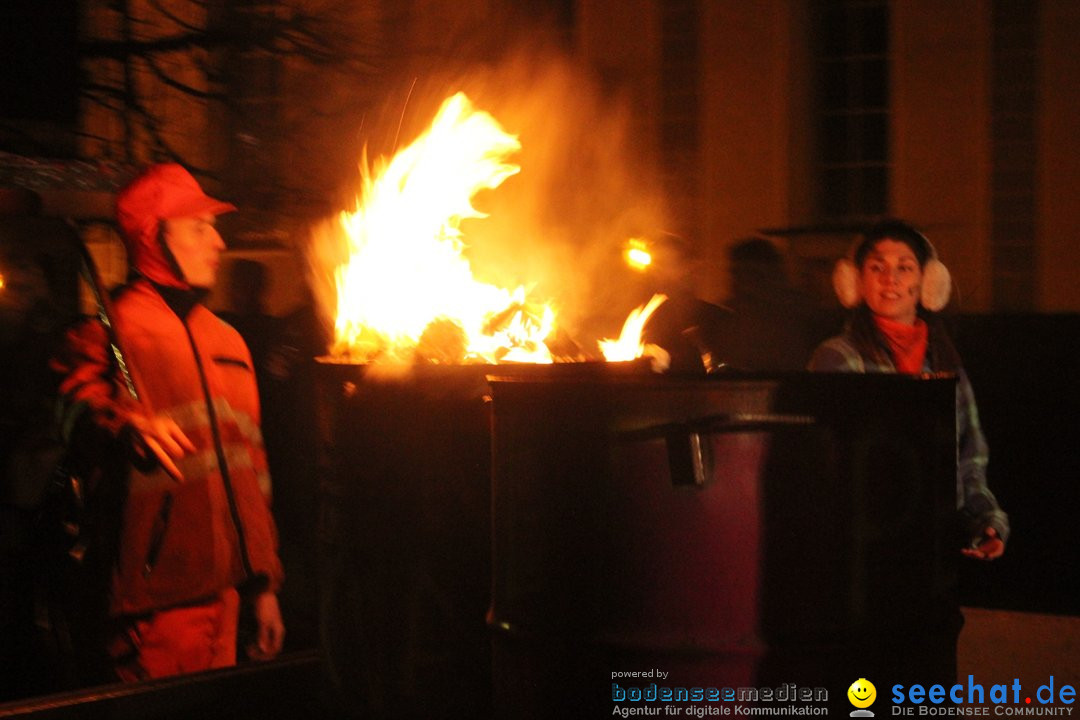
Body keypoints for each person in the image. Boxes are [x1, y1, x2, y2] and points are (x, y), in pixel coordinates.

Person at [51, 163, 285, 682]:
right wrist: (121, 423)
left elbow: (255, 475)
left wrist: (265, 587)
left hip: (227, 601)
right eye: (199, 226)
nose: (219, 243)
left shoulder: (230, 343)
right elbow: (69, 413)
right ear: (154, 237)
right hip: (151, 611)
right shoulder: (109, 334)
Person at [808, 219, 1009, 560]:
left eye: (904, 267)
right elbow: (830, 464)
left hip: (933, 543)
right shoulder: (838, 357)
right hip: (862, 549)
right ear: (855, 280)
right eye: (877, 267)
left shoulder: (945, 361)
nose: (891, 279)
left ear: (928, 282)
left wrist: (987, 522)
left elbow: (970, 457)